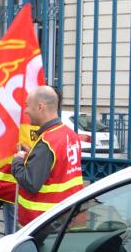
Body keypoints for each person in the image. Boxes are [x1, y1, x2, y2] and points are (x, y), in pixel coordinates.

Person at [12, 85, 83, 227]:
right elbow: (57, 168)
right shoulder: (71, 135)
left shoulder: (47, 142)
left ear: (40, 107)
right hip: (65, 215)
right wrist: (33, 153)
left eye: (27, 106)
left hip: (43, 223)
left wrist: (17, 161)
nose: (25, 111)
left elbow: (31, 183)